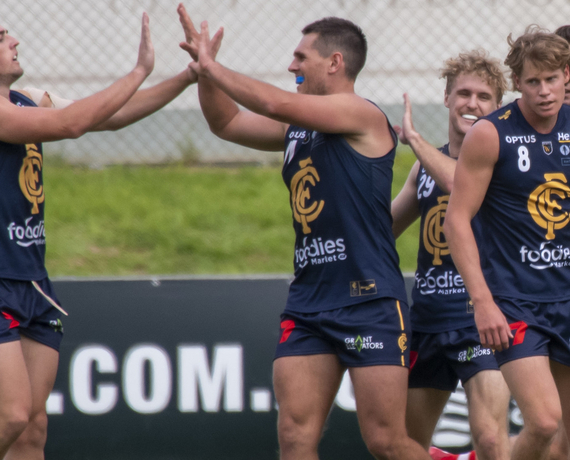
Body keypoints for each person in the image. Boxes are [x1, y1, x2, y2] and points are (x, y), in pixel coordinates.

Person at [0, 9, 196, 460]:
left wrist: (189, 76)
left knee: (32, 428)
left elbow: (111, 116)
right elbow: (70, 124)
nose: (14, 41)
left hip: (33, 282)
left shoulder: (25, 100)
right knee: (11, 416)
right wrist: (138, 70)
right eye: (0, 37)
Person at [177, 5, 428, 459]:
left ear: (335, 63)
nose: (291, 65)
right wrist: (205, 73)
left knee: (386, 442)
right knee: (295, 437)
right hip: (309, 301)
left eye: (301, 57)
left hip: (368, 299)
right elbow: (226, 123)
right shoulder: (297, 125)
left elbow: (275, 102)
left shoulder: (360, 113)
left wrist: (216, 67)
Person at [443, 26, 570, 460]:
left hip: (566, 295)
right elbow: (456, 221)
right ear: (517, 82)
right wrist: (482, 302)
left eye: (551, 79)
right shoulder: (490, 134)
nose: (544, 91)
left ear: (566, 76)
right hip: (516, 303)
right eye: (533, 81)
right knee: (545, 421)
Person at [390, 51, 511, 460]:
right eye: (463, 93)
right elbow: (382, 231)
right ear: (446, 98)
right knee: (403, 447)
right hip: (428, 321)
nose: (472, 103)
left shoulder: (501, 163)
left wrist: (415, 140)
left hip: (482, 322)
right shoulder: (421, 168)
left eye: (484, 96)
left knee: (491, 440)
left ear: (498, 107)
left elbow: (461, 181)